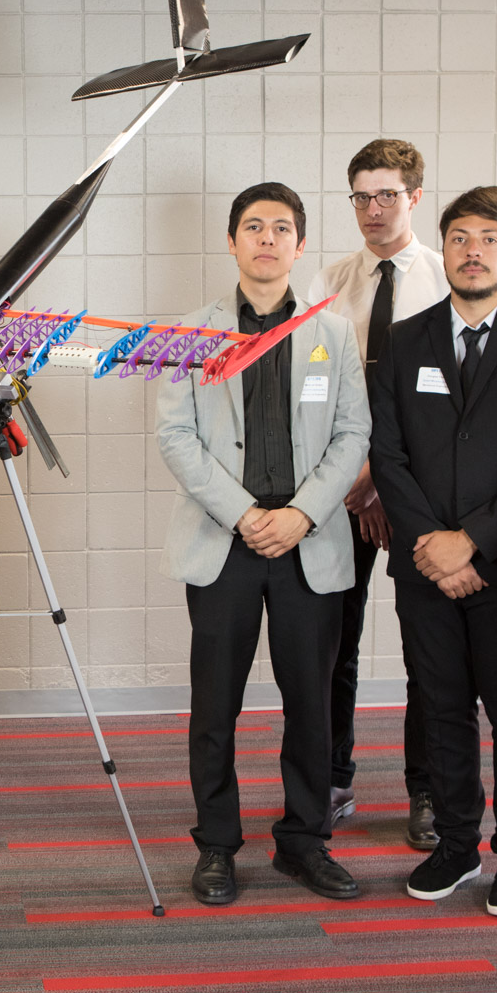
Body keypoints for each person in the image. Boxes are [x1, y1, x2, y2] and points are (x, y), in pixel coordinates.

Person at [158, 182, 370, 904]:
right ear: (232, 241)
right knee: (215, 706)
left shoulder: (333, 331)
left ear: (300, 245)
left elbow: (353, 433)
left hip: (308, 542)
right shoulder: (192, 333)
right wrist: (244, 513)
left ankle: (305, 841)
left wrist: (302, 514)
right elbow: (175, 436)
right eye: (254, 227)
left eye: (282, 228)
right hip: (226, 541)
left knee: (311, 703)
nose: (268, 239)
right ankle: (216, 844)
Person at [368, 186, 497, 917]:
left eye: (489, 238)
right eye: (459, 237)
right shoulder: (403, 339)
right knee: (442, 708)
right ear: (444, 247)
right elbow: (388, 455)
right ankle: (457, 844)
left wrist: (473, 545)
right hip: (424, 565)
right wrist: (433, 544)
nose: (472, 251)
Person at [307, 139, 449, 851]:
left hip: (421, 495)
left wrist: (390, 482)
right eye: (361, 196)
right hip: (346, 490)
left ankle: (428, 790)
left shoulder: (448, 276)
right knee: (335, 643)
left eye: (387, 194)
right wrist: (356, 481)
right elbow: (315, 392)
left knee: (431, 652)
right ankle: (332, 779)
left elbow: (453, 404)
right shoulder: (330, 281)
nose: (372, 209)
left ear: (415, 197)